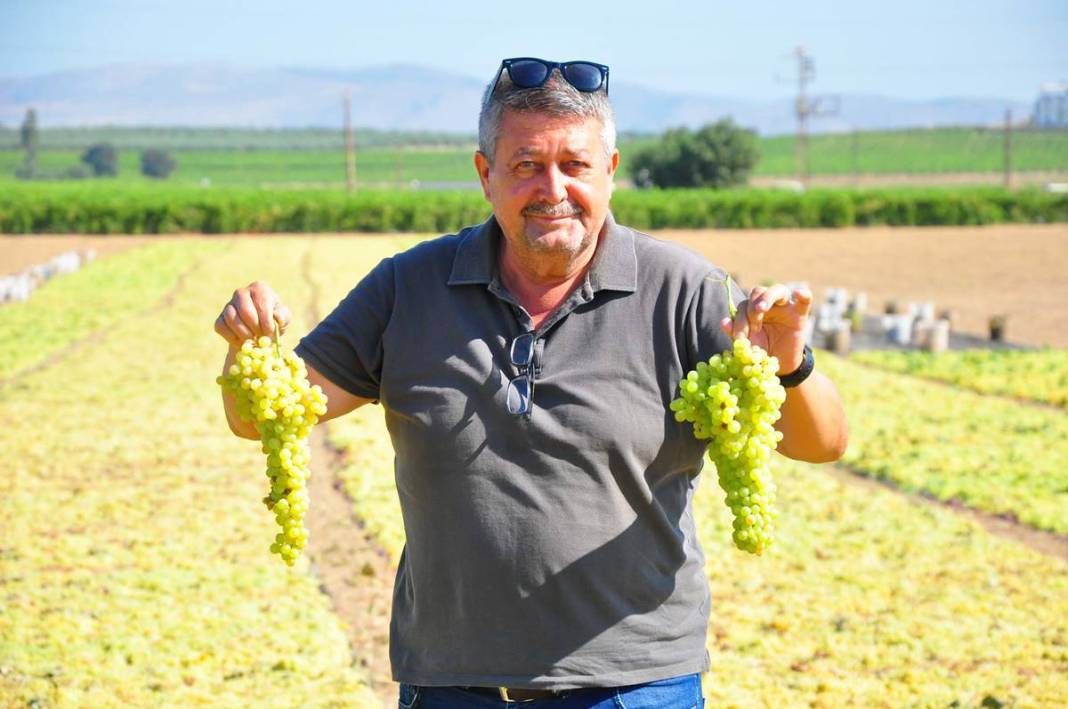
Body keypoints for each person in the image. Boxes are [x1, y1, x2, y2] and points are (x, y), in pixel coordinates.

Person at [214, 57, 848, 708]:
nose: (552, 189)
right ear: (486, 174)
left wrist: (790, 365)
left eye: (575, 165)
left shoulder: (685, 290)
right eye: (526, 165)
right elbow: (259, 416)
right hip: (453, 687)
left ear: (611, 171)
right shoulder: (407, 288)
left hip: (633, 687)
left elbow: (821, 441)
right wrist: (246, 352)